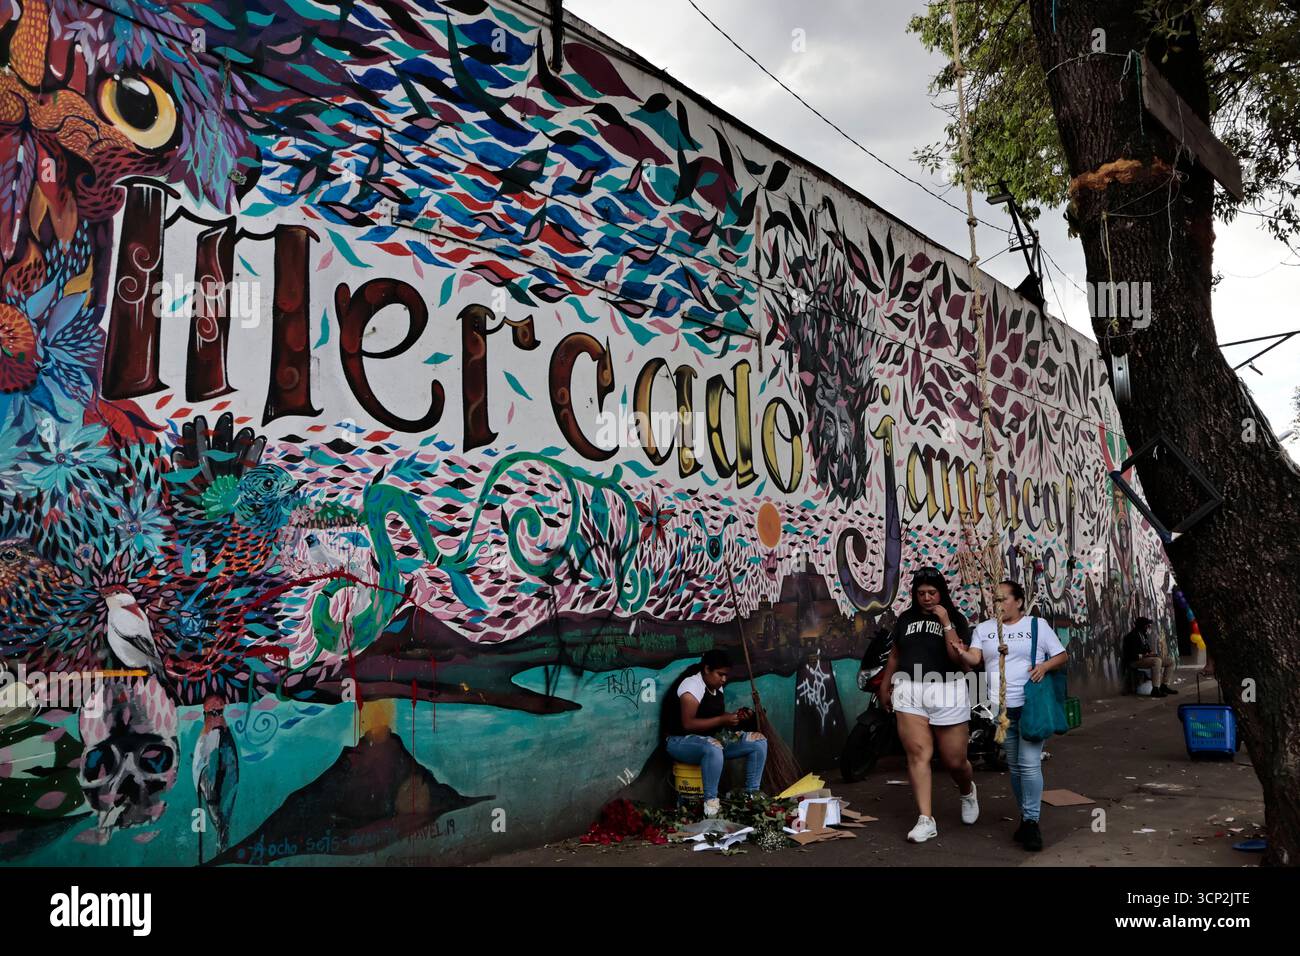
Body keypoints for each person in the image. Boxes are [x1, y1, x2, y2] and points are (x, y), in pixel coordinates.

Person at [953, 580, 1068, 852]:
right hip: (999, 710)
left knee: (1028, 764)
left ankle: (1031, 822)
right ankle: (1026, 818)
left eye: (1004, 599)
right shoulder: (984, 629)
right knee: (1015, 767)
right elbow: (975, 659)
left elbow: (1062, 655)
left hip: (1029, 707)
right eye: (995, 599)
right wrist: (961, 652)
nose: (999, 604)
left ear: (1018, 601)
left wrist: (1043, 666)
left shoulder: (1036, 626)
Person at [880, 566, 977, 844]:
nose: (926, 598)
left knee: (954, 761)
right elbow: (896, 654)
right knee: (918, 755)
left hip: (947, 688)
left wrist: (946, 621)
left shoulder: (955, 617)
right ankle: (926, 819)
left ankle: (967, 791)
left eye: (932, 593)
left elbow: (957, 657)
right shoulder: (905, 619)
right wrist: (886, 685)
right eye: (921, 593)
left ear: (941, 593)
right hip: (910, 689)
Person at [662, 649, 767, 818]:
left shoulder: (716, 686)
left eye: (726, 675)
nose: (724, 679)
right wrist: (721, 720)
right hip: (678, 741)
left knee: (758, 742)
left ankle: (751, 796)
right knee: (713, 748)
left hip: (710, 740)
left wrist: (737, 720)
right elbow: (688, 724)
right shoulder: (691, 685)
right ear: (707, 669)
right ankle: (711, 806)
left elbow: (715, 719)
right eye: (720, 674)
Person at [1122, 616, 1178, 697]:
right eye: (1147, 625)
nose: (1148, 627)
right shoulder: (1131, 636)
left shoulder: (1143, 635)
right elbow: (1131, 655)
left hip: (1145, 659)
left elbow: (1147, 649)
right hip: (1135, 661)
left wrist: (1151, 653)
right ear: (1142, 626)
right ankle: (1155, 689)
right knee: (1157, 661)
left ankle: (1164, 686)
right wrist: (1146, 655)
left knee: (1170, 661)